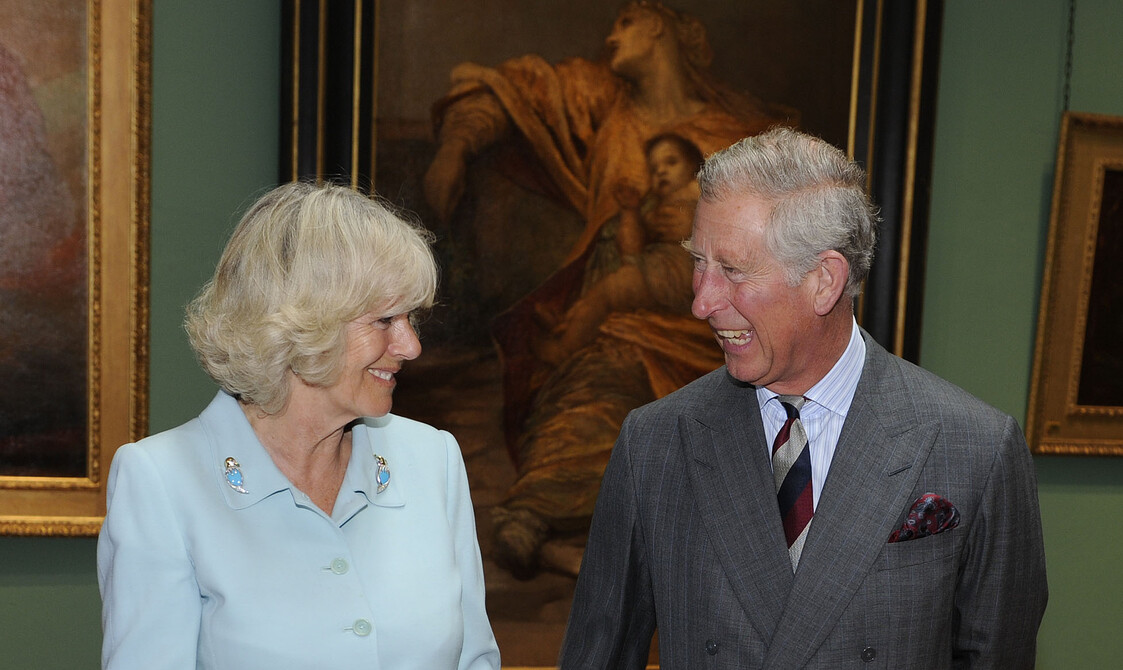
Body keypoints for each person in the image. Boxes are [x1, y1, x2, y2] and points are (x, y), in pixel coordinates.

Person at [560, 127, 1048, 668]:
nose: (701, 301)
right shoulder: (654, 445)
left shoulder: (976, 449)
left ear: (824, 280)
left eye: (732, 271)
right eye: (699, 262)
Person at [425, 0, 793, 579]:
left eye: (625, 22)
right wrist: (455, 148)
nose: (610, 34)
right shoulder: (600, 103)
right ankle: (535, 518)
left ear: (659, 26)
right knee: (595, 389)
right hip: (620, 320)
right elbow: (516, 93)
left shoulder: (740, 135)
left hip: (713, 332)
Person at [97, 182, 501, 670]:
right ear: (302, 324)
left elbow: (475, 660)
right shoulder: (161, 482)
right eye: (385, 319)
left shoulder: (433, 459)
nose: (411, 346)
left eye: (411, 318)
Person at [535, 132, 704, 366]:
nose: (661, 172)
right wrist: (630, 212)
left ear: (696, 168)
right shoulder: (653, 205)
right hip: (655, 271)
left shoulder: (702, 193)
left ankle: (564, 348)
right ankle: (568, 323)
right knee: (608, 286)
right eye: (654, 170)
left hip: (684, 273)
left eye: (671, 162)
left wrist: (695, 221)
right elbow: (630, 252)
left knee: (611, 289)